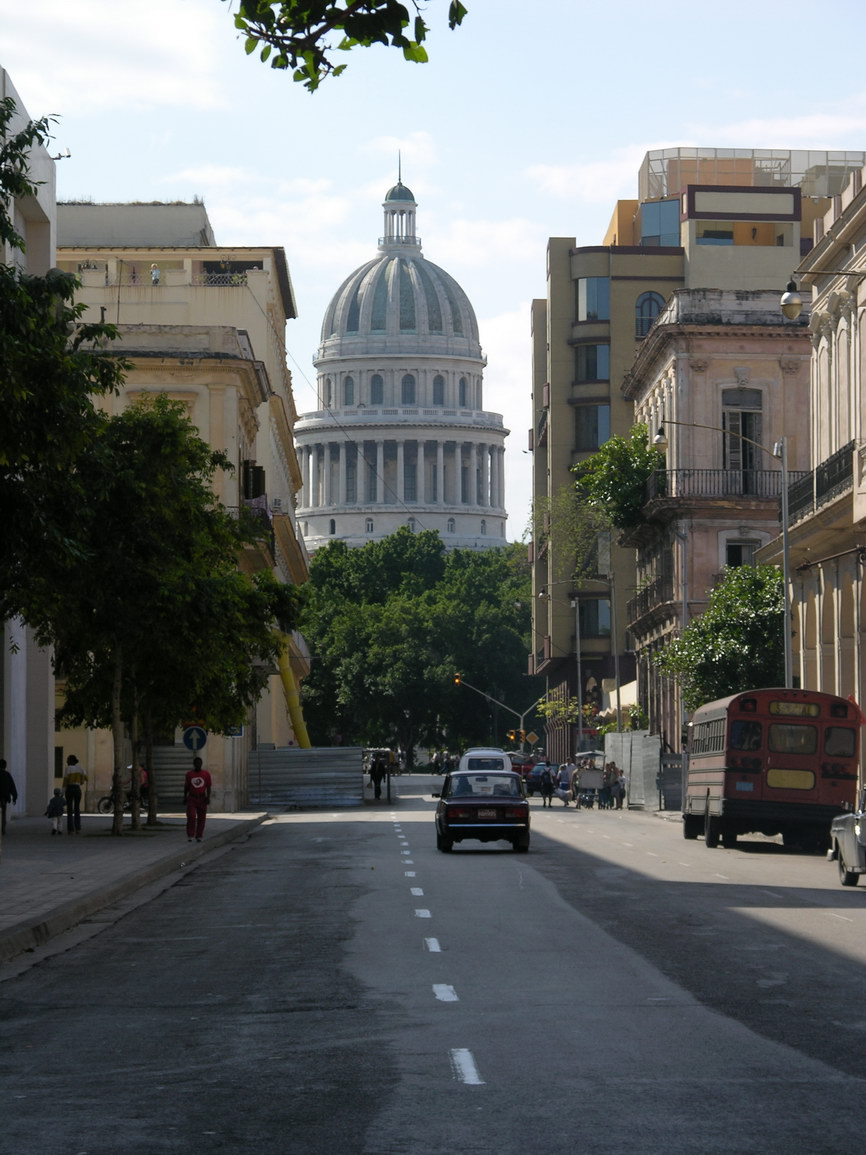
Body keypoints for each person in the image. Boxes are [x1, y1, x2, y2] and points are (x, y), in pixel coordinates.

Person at [184, 756, 212, 843]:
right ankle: (190, 835)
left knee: (201, 818)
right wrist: (184, 796)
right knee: (191, 816)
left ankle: (199, 835)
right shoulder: (189, 774)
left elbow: (208, 786)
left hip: (202, 798)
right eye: (196, 763)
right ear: (194, 764)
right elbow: (186, 787)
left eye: (199, 763)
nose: (198, 765)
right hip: (192, 798)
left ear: (201, 764)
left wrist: (208, 797)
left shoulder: (206, 774)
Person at [62, 754, 88, 834]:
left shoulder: (68, 769)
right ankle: (78, 828)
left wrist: (62, 792)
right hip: (77, 789)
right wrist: (80, 781)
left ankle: (70, 829)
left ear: (71, 761)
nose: (67, 761)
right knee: (77, 809)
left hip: (70, 789)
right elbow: (86, 778)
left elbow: (65, 781)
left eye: (68, 760)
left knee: (70, 810)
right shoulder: (80, 769)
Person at [0, 759, 18, 835]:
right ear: (5, 766)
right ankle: (2, 830)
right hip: (3, 798)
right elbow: (12, 787)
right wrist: (14, 797)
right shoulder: (7, 775)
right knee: (3, 814)